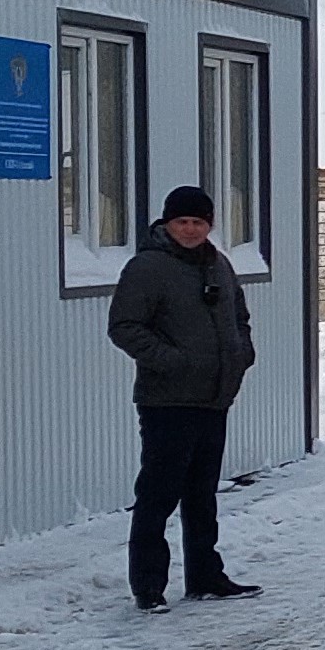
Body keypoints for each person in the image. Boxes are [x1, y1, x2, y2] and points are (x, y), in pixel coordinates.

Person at [108, 186, 262, 608]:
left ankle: (205, 576)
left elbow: (239, 318)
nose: (190, 229)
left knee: (202, 494)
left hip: (214, 398)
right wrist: (173, 362)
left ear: (209, 224)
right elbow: (124, 326)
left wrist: (240, 355)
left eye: (198, 221)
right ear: (167, 224)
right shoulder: (148, 268)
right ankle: (148, 586)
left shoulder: (219, 264)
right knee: (158, 494)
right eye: (182, 222)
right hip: (168, 400)